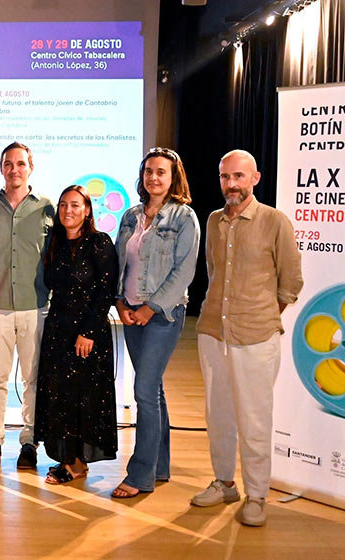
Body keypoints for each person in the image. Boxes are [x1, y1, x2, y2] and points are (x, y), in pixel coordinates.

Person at [191, 149, 303, 526]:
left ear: (255, 178)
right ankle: (224, 483)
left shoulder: (275, 221)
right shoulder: (213, 220)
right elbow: (212, 271)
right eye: (225, 177)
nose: (231, 185)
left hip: (256, 336)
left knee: (254, 420)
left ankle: (257, 495)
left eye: (239, 176)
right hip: (212, 332)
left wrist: (260, 315)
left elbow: (290, 284)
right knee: (218, 416)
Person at [111, 148, 200, 498]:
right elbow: (122, 263)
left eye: (161, 172)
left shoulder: (183, 217)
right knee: (154, 391)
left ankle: (140, 475)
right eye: (148, 171)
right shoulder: (132, 216)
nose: (153, 178)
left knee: (144, 392)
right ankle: (160, 466)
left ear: (173, 177)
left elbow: (185, 271)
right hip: (131, 313)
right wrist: (119, 302)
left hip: (164, 315)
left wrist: (151, 308)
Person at [34, 185, 119, 484]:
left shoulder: (99, 242)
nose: (68, 211)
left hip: (87, 332)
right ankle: (68, 458)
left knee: (85, 397)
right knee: (61, 396)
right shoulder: (56, 242)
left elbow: (106, 290)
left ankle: (79, 463)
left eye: (75, 205)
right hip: (58, 329)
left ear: (87, 210)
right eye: (63, 205)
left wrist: (88, 332)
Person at [0, 142, 55, 471]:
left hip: (34, 305)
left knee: (33, 378)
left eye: (20, 164)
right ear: (1, 168)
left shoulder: (48, 207)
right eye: (8, 164)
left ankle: (29, 442)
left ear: (30, 168)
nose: (14, 169)